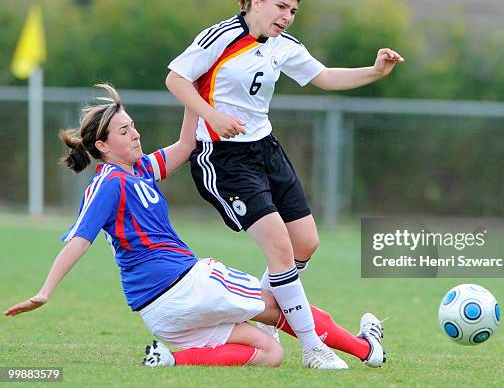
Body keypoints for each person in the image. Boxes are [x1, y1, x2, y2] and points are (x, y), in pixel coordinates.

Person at [3, 83, 385, 370]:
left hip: (160, 316)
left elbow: (187, 145)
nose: (135, 134)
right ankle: (366, 349)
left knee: (269, 352)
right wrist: (45, 292)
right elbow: (80, 240)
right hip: (185, 285)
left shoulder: (140, 171)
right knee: (283, 303)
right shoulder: (109, 182)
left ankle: (171, 359)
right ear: (102, 146)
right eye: (123, 131)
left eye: (133, 126)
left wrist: (194, 88)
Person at [165, 0, 403, 363]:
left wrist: (374, 71)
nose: (287, 16)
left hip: (267, 151)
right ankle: (313, 347)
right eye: (281, 7)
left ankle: (264, 316)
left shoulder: (282, 44)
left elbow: (324, 76)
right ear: (255, 2)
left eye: (292, 10)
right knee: (279, 247)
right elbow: (176, 79)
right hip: (223, 158)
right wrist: (213, 116)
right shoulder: (221, 37)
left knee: (305, 243)